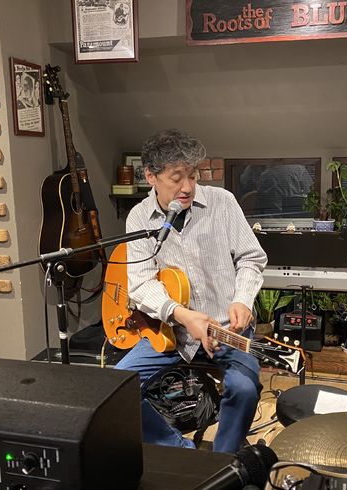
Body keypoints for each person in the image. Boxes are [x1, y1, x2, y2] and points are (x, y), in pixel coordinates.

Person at [115, 128, 268, 454]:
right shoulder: (139, 218)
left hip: (226, 331)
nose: (187, 187)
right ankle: (180, 450)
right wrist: (183, 316)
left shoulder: (222, 203)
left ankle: (221, 464)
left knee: (244, 389)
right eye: (176, 178)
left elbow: (251, 259)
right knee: (114, 389)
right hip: (171, 333)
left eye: (193, 175)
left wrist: (242, 300)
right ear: (151, 176)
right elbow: (140, 283)